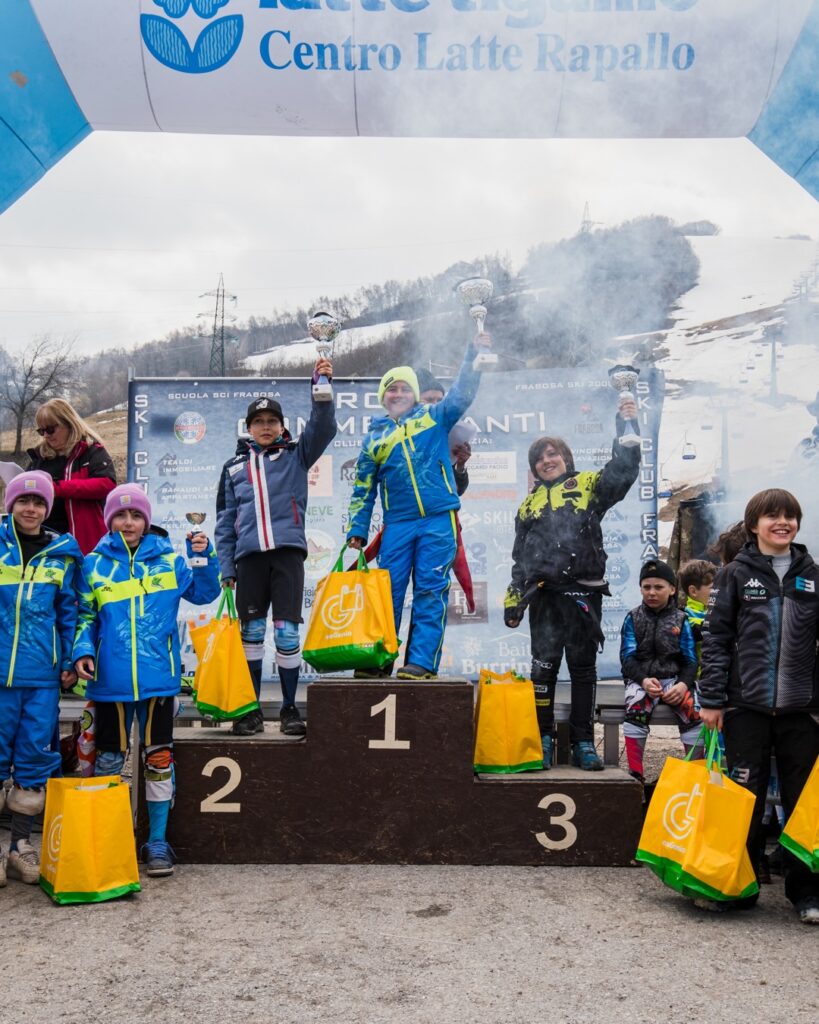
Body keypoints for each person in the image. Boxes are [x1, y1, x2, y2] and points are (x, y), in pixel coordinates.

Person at [73, 484, 220, 878]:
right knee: (108, 760)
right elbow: (84, 616)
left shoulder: (170, 560)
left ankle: (156, 841)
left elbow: (206, 593)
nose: (128, 523)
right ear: (109, 521)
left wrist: (203, 556)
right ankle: (109, 839)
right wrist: (82, 650)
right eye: (120, 515)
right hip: (111, 680)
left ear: (146, 520)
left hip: (159, 680)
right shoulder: (93, 564)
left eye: (136, 515)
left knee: (158, 759)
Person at [699, 488, 819, 923]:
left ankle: (807, 893)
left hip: (801, 711)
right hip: (744, 707)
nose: (782, 523)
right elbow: (715, 639)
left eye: (790, 516)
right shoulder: (733, 574)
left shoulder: (813, 575)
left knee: (803, 804)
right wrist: (712, 699)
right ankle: (739, 885)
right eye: (772, 516)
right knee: (743, 801)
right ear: (754, 525)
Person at [503, 399, 640, 770]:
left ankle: (583, 742)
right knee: (543, 669)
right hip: (543, 596)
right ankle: (542, 739)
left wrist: (626, 426)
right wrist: (514, 600)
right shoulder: (527, 505)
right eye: (539, 458)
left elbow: (622, 473)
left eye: (553, 454)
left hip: (582, 593)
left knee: (582, 670)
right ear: (533, 468)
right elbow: (519, 559)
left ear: (566, 457)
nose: (546, 461)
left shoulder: (588, 484)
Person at [346, 335, 487, 680]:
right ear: (382, 397)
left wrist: (473, 353)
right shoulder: (374, 439)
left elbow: (463, 393)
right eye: (391, 389)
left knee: (430, 589)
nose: (398, 394)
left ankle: (421, 663)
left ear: (414, 393)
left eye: (405, 388)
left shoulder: (435, 417)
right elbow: (363, 489)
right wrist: (357, 530)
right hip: (398, 524)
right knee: (387, 594)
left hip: (438, 520)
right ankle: (379, 659)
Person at [215, 358, 337, 736]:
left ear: (282, 426)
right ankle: (250, 710)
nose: (266, 427)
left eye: (272, 421)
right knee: (251, 633)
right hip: (249, 559)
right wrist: (227, 567)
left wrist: (320, 388)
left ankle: (289, 709)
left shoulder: (297, 455)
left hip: (287, 554)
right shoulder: (233, 468)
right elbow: (225, 522)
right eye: (259, 422)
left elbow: (324, 428)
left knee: (286, 633)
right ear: (248, 428)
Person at [0, 471, 82, 886]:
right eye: (23, 501)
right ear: (10, 504)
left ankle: (20, 848)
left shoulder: (62, 554)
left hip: (41, 678)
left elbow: (69, 613)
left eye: (38, 503)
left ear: (47, 509)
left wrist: (68, 659)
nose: (30, 509)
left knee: (34, 758)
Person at [620, 560, 701, 785]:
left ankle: (696, 775)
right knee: (635, 706)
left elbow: (691, 661)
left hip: (674, 680)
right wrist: (644, 681)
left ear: (672, 589)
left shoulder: (681, 619)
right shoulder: (632, 618)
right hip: (642, 680)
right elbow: (627, 658)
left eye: (658, 587)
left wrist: (683, 685)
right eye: (646, 587)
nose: (652, 592)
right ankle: (636, 775)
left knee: (693, 711)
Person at [27, 398, 117, 555]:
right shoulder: (39, 457)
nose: (46, 435)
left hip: (82, 540)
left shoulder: (91, 451)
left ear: (68, 423)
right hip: (43, 540)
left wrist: (57, 489)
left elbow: (107, 484)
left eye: (50, 429)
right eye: (41, 431)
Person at [416, 368, 472, 496]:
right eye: (429, 400)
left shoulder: (446, 433)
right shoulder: (396, 431)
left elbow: (457, 490)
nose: (435, 405)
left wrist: (460, 466)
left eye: (440, 401)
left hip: (440, 506)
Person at [678, 559, 717, 676]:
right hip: (697, 681)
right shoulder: (682, 618)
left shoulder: (719, 612)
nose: (717, 591)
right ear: (693, 591)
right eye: (712, 588)